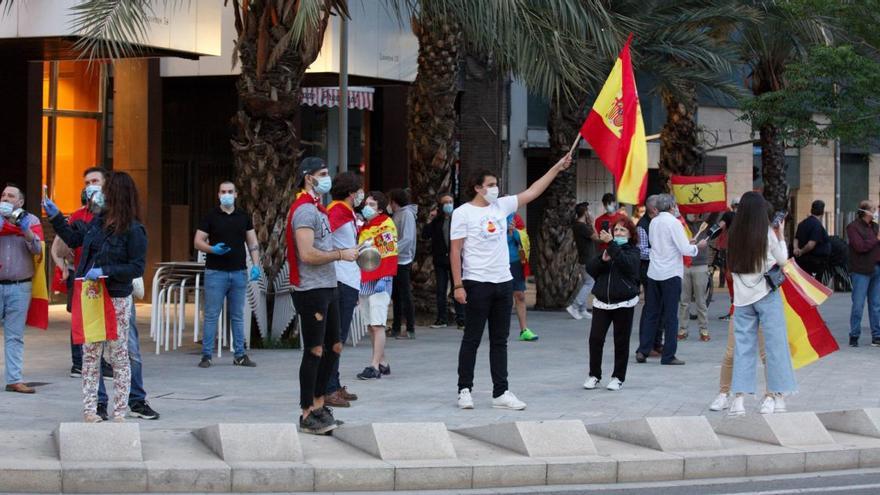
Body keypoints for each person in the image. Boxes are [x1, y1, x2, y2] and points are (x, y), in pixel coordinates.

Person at [452, 154, 572, 410]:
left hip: (503, 281)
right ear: (477, 187)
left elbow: (533, 191)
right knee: (472, 338)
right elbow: (455, 251)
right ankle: (464, 389)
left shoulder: (502, 206)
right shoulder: (463, 213)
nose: (495, 189)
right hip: (476, 282)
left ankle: (501, 392)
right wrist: (458, 285)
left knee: (500, 340)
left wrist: (556, 167)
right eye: (490, 185)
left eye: (496, 184)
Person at [45, 172, 147, 422]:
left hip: (117, 297)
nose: (98, 193)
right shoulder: (96, 223)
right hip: (92, 297)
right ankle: (91, 409)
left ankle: (120, 411)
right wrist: (56, 216)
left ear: (117, 194)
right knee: (90, 354)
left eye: (105, 188)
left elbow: (136, 267)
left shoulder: (134, 230)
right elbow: (73, 238)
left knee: (119, 354)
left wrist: (106, 271)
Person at [286, 157, 358, 435]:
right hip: (310, 288)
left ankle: (319, 403)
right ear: (309, 177)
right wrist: (341, 255)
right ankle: (307, 412)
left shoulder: (319, 209)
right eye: (323, 174)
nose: (328, 179)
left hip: (328, 285)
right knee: (315, 350)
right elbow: (307, 254)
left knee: (335, 346)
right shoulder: (304, 211)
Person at [726, 191, 795, 416]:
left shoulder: (734, 234)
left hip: (742, 298)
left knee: (743, 349)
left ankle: (738, 400)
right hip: (766, 294)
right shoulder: (767, 234)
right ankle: (777, 397)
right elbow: (783, 260)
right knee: (775, 347)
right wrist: (782, 234)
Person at [51, 168, 114, 379]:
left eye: (95, 181)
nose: (90, 186)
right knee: (80, 320)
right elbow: (60, 246)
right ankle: (78, 362)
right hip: (82, 274)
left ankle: (101, 361)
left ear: (106, 185)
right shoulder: (78, 215)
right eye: (87, 182)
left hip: (107, 275)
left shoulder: (115, 214)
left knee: (103, 321)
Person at [194, 180, 262, 368]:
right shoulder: (211, 216)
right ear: (218, 194)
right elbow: (198, 241)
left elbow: (252, 242)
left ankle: (239, 354)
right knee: (211, 314)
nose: (227, 194)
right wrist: (212, 249)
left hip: (239, 271)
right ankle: (206, 355)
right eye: (223, 191)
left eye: (230, 191)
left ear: (236, 194)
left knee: (238, 315)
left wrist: (255, 265)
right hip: (216, 272)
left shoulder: (243, 216)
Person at [636, 194, 705, 366]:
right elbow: (684, 249)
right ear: (672, 206)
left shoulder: (654, 222)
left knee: (652, 312)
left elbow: (661, 244)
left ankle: (643, 350)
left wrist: (687, 244)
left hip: (654, 272)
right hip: (670, 273)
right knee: (670, 316)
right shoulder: (674, 223)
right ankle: (668, 355)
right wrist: (697, 247)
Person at [583, 218, 641, 391]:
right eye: (616, 230)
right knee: (595, 339)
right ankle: (594, 375)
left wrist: (613, 248)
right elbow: (591, 269)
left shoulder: (633, 252)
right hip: (602, 302)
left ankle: (618, 377)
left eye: (623, 230)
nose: (618, 233)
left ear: (630, 235)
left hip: (624, 303)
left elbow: (629, 266)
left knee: (621, 340)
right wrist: (603, 260)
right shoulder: (607, 250)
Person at [324, 172, 364, 406]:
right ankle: (329, 388)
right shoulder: (337, 210)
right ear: (351, 192)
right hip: (341, 278)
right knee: (336, 336)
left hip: (348, 277)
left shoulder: (344, 211)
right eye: (358, 190)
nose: (361, 194)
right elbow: (325, 236)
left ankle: (334, 384)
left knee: (339, 335)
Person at [0, 183, 41, 394]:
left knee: (14, 336)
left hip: (19, 287)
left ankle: (14, 380)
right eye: (3, 195)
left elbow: (37, 250)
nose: (5, 199)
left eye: (11, 196)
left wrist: (25, 231)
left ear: (20, 202)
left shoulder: (30, 221)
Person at [355, 191, 398, 380]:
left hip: (380, 279)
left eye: (372, 204)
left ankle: (373, 365)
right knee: (371, 326)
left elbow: (389, 254)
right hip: (365, 279)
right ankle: (383, 362)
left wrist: (386, 277)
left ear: (380, 209)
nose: (367, 207)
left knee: (378, 324)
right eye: (366, 203)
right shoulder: (364, 226)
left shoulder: (385, 225)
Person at [707, 319, 769, 412]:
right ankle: (724, 393)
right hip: (740, 308)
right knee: (731, 354)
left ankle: (771, 396)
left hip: (765, 309)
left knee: (767, 355)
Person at [424, 193, 465, 329]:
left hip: (456, 259)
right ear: (441, 205)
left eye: (450, 202)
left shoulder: (458, 219)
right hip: (440, 259)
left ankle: (461, 319)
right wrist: (429, 219)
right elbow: (426, 235)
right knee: (441, 290)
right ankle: (441, 319)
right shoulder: (437, 220)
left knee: (457, 287)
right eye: (445, 202)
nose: (448, 205)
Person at [845, 201, 880, 347]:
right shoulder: (853, 227)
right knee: (858, 304)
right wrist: (876, 239)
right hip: (861, 270)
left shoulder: (875, 227)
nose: (875, 212)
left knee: (876, 304)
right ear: (865, 211)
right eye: (873, 209)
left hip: (876, 268)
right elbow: (859, 246)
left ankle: (876, 336)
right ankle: (854, 335)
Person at [635, 195, 663, 356]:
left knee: (662, 308)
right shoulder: (643, 226)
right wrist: (661, 251)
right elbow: (642, 251)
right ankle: (647, 345)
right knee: (651, 307)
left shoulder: (659, 222)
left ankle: (657, 343)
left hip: (660, 268)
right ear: (654, 209)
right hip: (648, 270)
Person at [388, 188, 417, 339]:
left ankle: (410, 327)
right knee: (397, 295)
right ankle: (396, 327)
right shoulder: (398, 214)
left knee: (404, 294)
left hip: (402, 260)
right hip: (397, 259)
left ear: (394, 202)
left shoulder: (406, 214)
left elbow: (407, 239)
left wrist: (392, 250)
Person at [677, 213, 710, 341]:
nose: (692, 213)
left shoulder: (706, 224)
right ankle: (683, 329)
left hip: (701, 265)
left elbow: (717, 213)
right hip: (685, 264)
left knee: (701, 301)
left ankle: (704, 330)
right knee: (684, 301)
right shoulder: (680, 223)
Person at [507, 212, 537, 341]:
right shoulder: (491, 215)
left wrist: (513, 231)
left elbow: (523, 239)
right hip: (496, 263)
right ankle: (499, 329)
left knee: (520, 295)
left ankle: (524, 330)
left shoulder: (515, 217)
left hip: (515, 262)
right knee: (502, 298)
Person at [567, 202, 596, 320]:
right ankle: (574, 306)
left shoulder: (578, 225)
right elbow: (597, 237)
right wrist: (593, 224)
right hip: (587, 259)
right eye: (588, 211)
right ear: (585, 213)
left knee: (585, 283)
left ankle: (582, 309)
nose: (590, 213)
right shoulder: (582, 226)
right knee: (590, 283)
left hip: (584, 258)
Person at [794, 200, 830, 277]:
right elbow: (811, 244)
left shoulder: (802, 223)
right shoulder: (817, 225)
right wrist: (801, 251)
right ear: (822, 212)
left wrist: (796, 249)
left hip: (802, 261)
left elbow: (796, 238)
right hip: (814, 262)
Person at [716, 198, 738, 320]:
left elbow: (720, 227)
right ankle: (735, 310)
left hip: (731, 252)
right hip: (745, 254)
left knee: (730, 280)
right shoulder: (748, 216)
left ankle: (733, 310)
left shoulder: (729, 215)